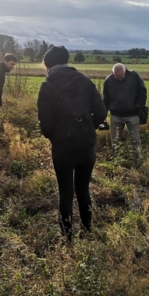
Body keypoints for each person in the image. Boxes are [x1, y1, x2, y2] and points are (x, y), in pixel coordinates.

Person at [37, 46, 106, 240]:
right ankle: (87, 229)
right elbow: (101, 112)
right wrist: (87, 128)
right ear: (66, 61)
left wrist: (56, 137)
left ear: (48, 64)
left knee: (65, 191)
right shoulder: (85, 81)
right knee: (83, 188)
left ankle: (67, 236)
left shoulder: (48, 86)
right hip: (87, 144)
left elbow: (45, 122)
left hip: (63, 147)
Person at [102, 63, 147, 162]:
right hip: (116, 115)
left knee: (135, 139)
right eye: (116, 77)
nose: (119, 79)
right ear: (112, 73)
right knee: (115, 139)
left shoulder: (134, 76)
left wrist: (138, 106)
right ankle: (117, 160)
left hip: (133, 114)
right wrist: (103, 114)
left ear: (125, 71)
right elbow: (105, 98)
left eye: (121, 77)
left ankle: (138, 160)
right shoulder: (108, 80)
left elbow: (142, 92)